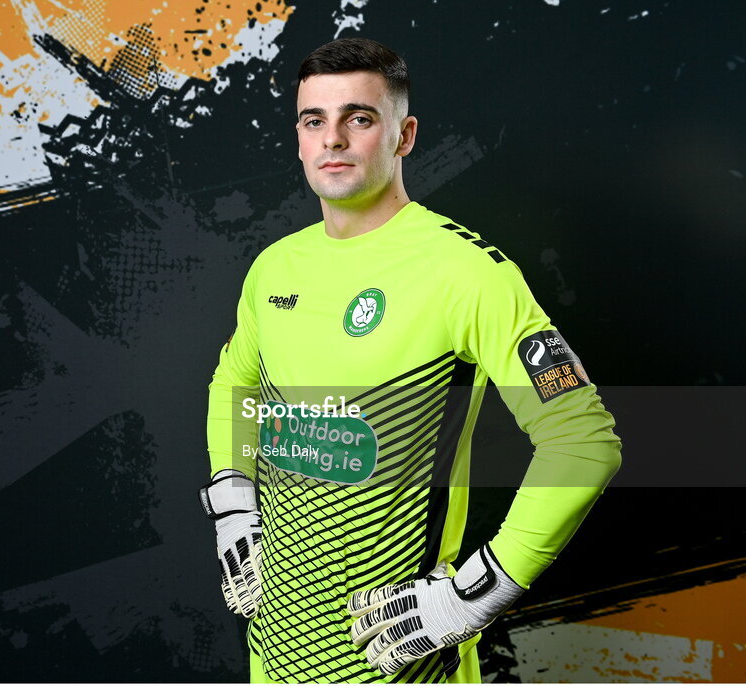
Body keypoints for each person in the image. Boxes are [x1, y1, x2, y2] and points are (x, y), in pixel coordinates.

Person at [199, 37, 621, 684]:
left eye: (358, 119)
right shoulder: (273, 268)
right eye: (315, 121)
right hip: (274, 661)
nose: (332, 139)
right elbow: (233, 381)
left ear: (404, 135)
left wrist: (479, 591)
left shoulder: (468, 273)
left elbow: (584, 440)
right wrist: (233, 504)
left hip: (405, 668)